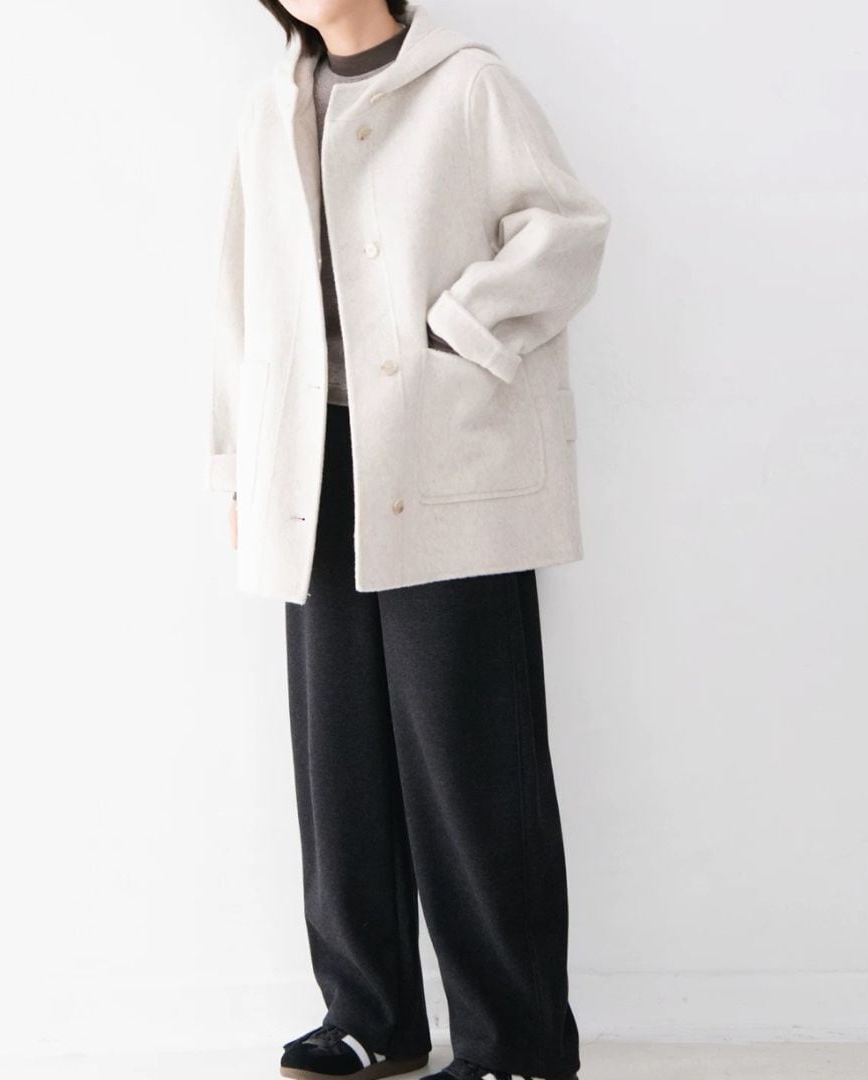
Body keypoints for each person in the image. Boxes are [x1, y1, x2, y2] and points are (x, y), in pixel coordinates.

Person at [210, 3, 611, 1078]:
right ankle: (370, 1015)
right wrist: (238, 465)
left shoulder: (467, 83)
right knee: (337, 758)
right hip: (311, 464)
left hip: (443, 455)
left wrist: (461, 329)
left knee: (470, 757)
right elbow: (239, 304)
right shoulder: (272, 108)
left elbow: (567, 229)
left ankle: (516, 1041)